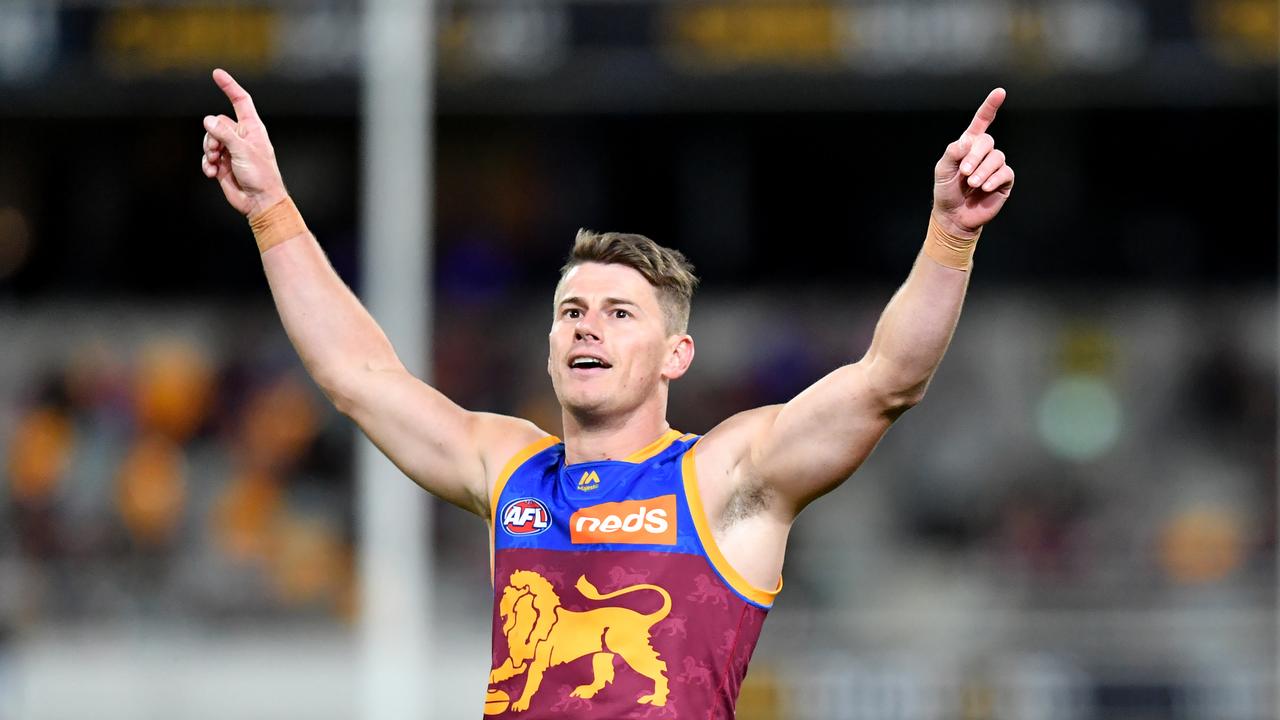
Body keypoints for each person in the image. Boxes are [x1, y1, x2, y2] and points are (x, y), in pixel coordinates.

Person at [200, 67, 1013, 718]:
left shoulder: (725, 479)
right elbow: (357, 376)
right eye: (571, 311)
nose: (587, 327)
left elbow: (887, 383)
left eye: (619, 313)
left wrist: (951, 235)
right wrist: (270, 210)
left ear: (676, 355)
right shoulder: (508, 467)